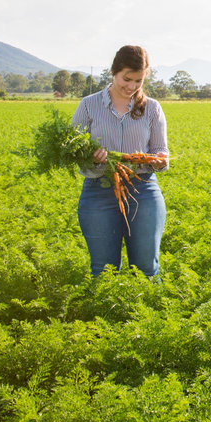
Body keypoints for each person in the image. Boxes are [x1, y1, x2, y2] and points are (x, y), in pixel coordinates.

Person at [71, 44, 169, 278]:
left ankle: (146, 313)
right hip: (99, 190)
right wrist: (90, 157)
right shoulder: (88, 105)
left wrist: (159, 161)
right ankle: (104, 312)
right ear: (114, 71)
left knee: (146, 268)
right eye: (127, 79)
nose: (132, 87)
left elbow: (161, 152)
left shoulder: (152, 108)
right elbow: (72, 149)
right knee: (103, 270)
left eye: (138, 81)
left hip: (143, 189)